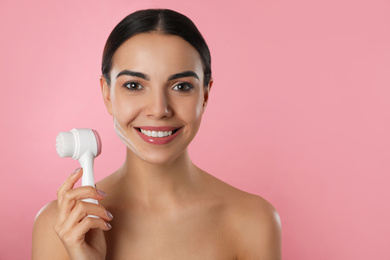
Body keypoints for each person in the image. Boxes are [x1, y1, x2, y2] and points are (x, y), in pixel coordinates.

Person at [32, 8, 281, 259]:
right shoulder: (62, 227)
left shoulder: (253, 221)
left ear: (204, 95)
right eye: (134, 85)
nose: (159, 110)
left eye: (181, 86)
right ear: (107, 94)